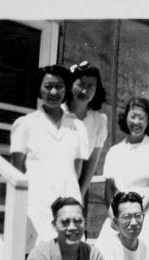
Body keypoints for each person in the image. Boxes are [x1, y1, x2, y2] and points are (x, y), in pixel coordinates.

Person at [10, 65, 90, 249]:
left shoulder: (77, 127)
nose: (53, 92)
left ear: (67, 89)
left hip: (68, 200)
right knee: (37, 254)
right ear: (39, 88)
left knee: (70, 255)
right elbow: (17, 171)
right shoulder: (25, 124)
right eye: (48, 86)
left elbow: (76, 172)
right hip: (36, 201)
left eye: (59, 86)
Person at [97, 96, 149, 260]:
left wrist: (137, 214)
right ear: (126, 118)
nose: (136, 122)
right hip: (119, 213)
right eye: (133, 116)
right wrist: (115, 215)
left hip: (148, 213)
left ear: (148, 121)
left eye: (141, 118)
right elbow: (109, 189)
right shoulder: (115, 151)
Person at [64, 60, 108, 198]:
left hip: (72, 192)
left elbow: (90, 167)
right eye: (80, 84)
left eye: (90, 86)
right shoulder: (57, 114)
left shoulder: (98, 122)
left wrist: (79, 198)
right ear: (70, 84)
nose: (84, 90)